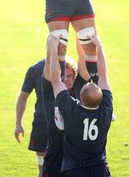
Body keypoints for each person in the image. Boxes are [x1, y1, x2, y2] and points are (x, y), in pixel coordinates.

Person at [48, 32, 113, 177]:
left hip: (74, 171)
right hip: (100, 170)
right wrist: (99, 47)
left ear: (81, 99)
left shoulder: (71, 111)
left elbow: (55, 80)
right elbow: (103, 76)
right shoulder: (106, 111)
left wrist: (53, 49)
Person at [42, 38, 97, 177]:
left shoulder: (80, 86)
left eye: (68, 75)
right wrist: (52, 48)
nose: (65, 79)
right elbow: (50, 65)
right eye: (62, 76)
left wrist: (80, 34)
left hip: (76, 158)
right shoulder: (50, 89)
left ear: (74, 75)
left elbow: (82, 57)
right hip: (56, 153)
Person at [14, 59, 47, 177]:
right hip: (42, 126)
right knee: (43, 171)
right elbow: (23, 97)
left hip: (65, 128)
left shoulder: (69, 68)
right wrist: (18, 123)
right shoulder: (35, 70)